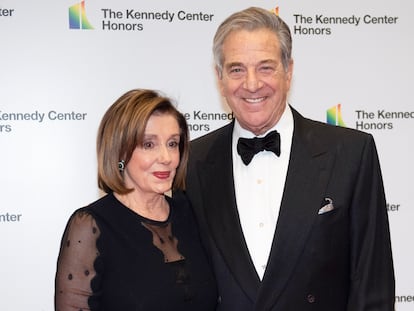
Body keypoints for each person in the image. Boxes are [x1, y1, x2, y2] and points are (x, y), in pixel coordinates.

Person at [185, 7, 395, 311]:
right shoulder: (190, 163)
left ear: (289, 71)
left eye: (266, 68)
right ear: (220, 78)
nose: (252, 84)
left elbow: (372, 287)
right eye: (237, 69)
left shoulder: (350, 153)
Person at [55, 89, 217, 311]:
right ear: (120, 152)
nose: (166, 158)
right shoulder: (91, 226)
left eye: (172, 143)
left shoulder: (191, 211)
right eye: (149, 144)